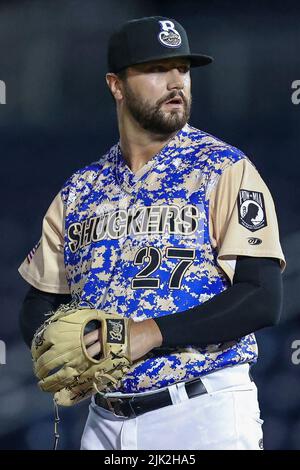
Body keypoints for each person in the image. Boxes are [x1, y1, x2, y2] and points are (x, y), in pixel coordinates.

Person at [18, 16, 286, 450]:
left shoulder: (223, 168)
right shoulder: (81, 189)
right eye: (157, 69)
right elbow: (39, 299)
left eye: (182, 68)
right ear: (116, 85)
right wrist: (49, 342)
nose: (176, 81)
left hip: (202, 412)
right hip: (104, 420)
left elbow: (262, 297)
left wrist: (147, 332)